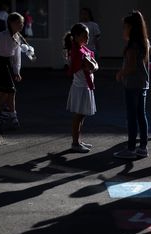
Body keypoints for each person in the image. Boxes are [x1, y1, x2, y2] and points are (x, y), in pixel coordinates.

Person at [114, 10, 150, 159]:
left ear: (130, 27)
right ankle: (143, 147)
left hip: (132, 84)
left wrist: (120, 73)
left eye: (125, 27)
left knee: (132, 116)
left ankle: (130, 149)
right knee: (141, 115)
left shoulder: (132, 45)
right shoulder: (144, 42)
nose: (123, 30)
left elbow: (131, 67)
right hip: (142, 83)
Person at [63, 23, 99, 153]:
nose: (87, 38)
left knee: (81, 115)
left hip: (83, 87)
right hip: (81, 88)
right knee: (79, 116)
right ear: (77, 36)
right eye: (85, 36)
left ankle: (78, 140)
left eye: (88, 36)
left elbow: (94, 65)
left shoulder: (82, 49)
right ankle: (75, 142)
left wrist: (93, 65)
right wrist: (93, 65)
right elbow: (93, 67)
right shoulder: (78, 52)